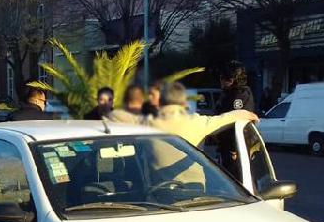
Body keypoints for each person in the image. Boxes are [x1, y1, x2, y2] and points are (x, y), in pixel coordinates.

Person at [105, 81, 258, 147]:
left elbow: (114, 116)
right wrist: (248, 114)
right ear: (184, 104)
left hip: (158, 193)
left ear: (161, 102)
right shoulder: (199, 122)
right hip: (198, 193)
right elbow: (228, 117)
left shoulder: (148, 123)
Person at [216, 61, 256, 177]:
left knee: (234, 179)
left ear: (231, 80)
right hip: (227, 146)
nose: (221, 81)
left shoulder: (239, 95)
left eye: (223, 78)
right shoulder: (229, 94)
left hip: (235, 147)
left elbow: (236, 121)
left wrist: (234, 148)